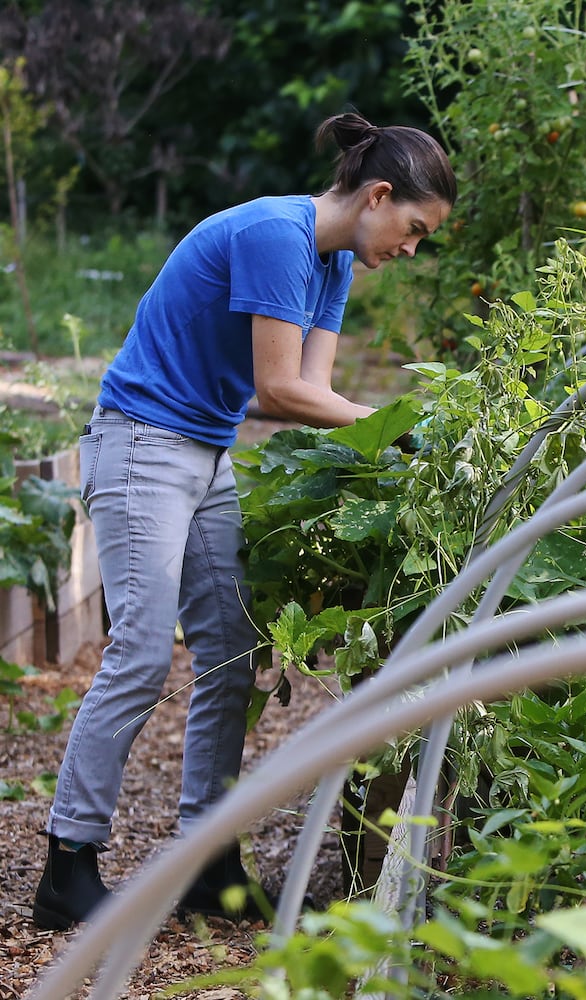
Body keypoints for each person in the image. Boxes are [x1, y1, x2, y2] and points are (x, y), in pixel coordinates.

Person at [32, 111, 456, 931]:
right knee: (143, 653)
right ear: (376, 195)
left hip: (206, 451)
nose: (412, 249)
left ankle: (207, 860)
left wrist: (392, 438)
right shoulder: (275, 234)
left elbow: (309, 393)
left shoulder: (332, 267)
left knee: (233, 654)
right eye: (413, 228)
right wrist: (408, 429)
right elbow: (285, 392)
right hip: (142, 444)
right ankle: (68, 864)